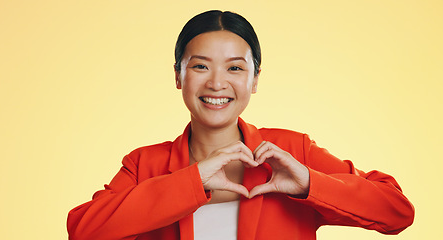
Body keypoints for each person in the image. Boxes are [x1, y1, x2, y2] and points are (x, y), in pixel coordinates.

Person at [67, 10, 414, 240]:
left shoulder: (292, 152)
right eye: (200, 66)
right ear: (178, 76)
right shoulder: (146, 165)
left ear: (255, 79)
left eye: (235, 68)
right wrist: (192, 179)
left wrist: (308, 183)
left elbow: (396, 211)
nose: (217, 83)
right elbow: (83, 229)